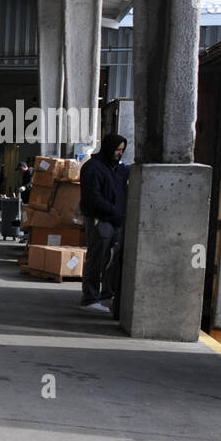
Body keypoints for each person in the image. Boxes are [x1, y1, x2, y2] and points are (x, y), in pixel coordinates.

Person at [79, 133, 127, 314]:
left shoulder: (116, 169)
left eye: (122, 150)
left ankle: (107, 294)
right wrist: (113, 210)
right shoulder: (93, 168)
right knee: (97, 258)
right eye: (117, 149)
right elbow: (92, 197)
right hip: (100, 220)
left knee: (112, 260)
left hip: (114, 220)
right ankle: (90, 297)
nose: (119, 153)